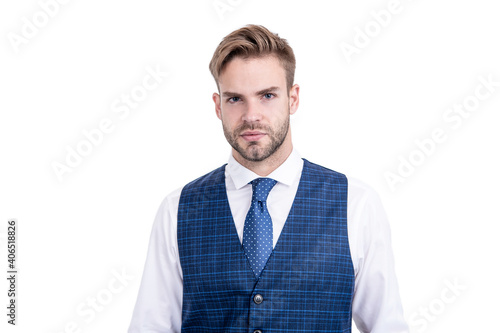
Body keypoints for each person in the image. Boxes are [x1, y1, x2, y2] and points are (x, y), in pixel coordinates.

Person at [128, 24, 409, 333]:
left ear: (293, 98)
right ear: (218, 106)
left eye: (267, 96)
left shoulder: (355, 204)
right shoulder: (178, 209)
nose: (251, 115)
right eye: (235, 99)